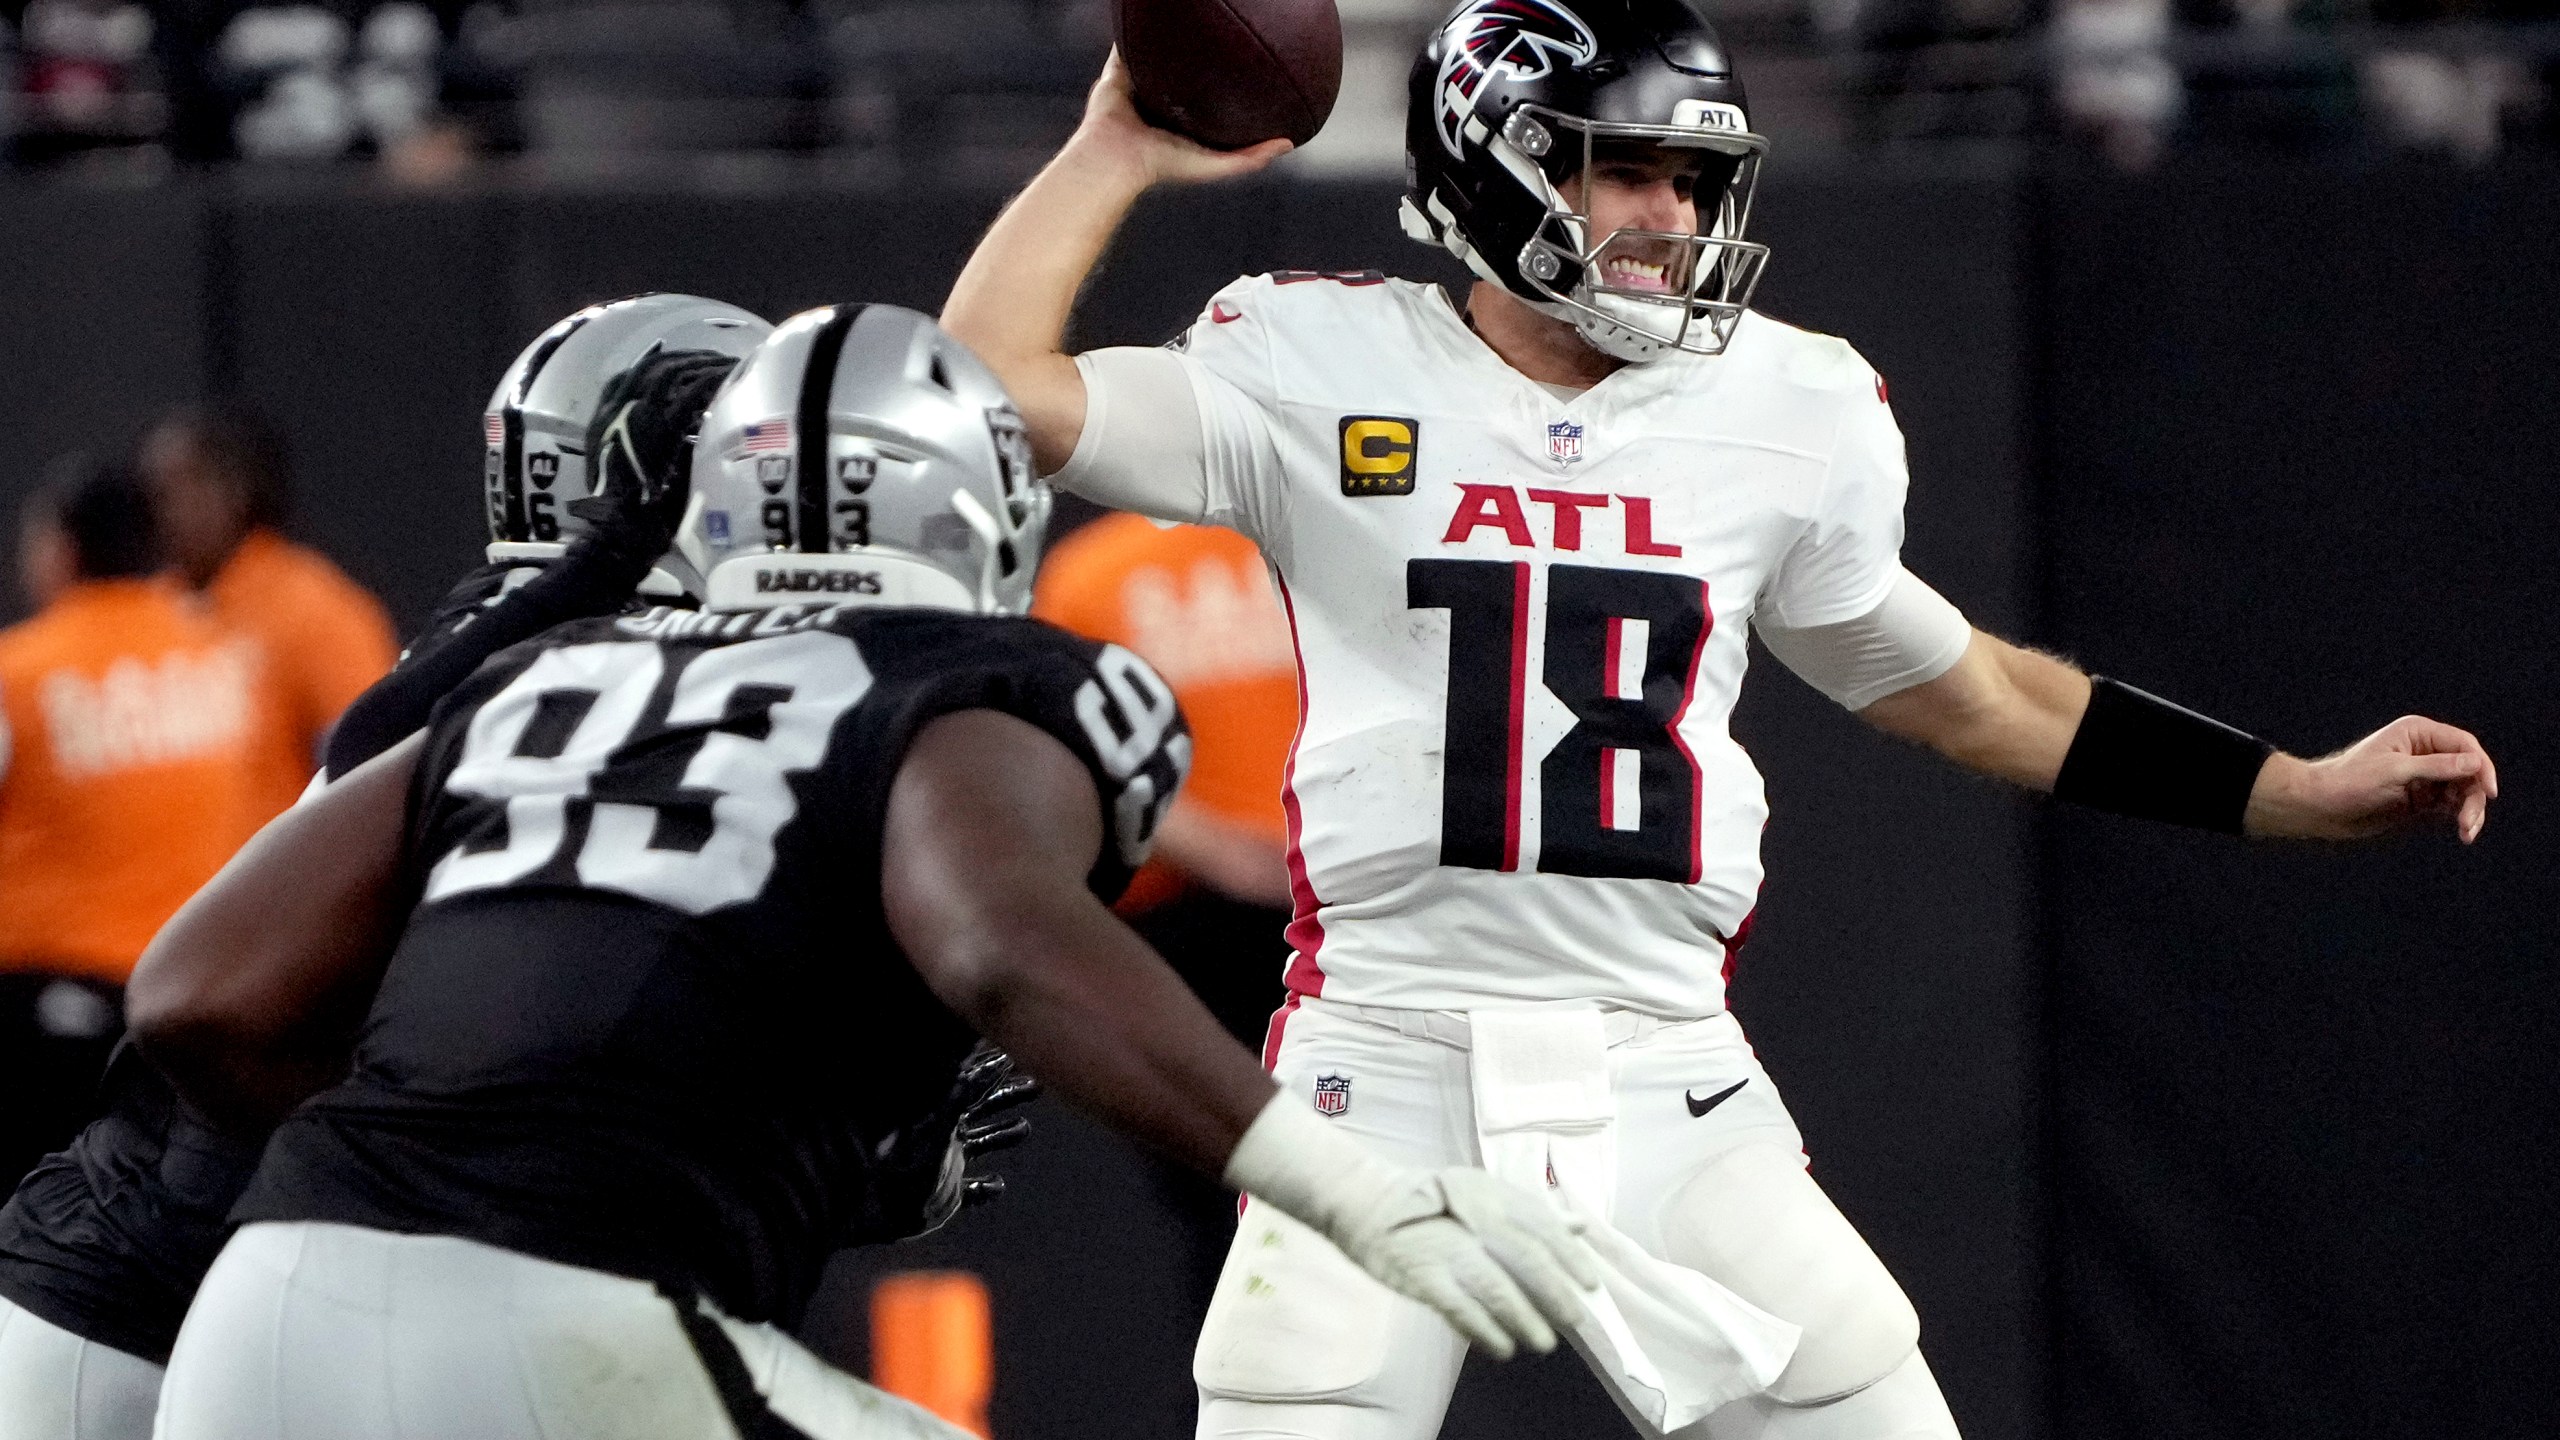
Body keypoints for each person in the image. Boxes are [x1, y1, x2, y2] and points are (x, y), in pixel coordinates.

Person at [938, 4, 2502, 1436]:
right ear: (1498, 166)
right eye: (1629, 173)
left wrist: (2291, 788)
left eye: (1695, 181)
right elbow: (988, 387)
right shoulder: (1314, 360)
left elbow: (1975, 692)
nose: (1672, 218)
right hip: (1382, 1061)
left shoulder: (1786, 406)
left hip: (1664, 1069)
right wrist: (1115, 147)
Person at [134, 304, 1598, 1440]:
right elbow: (998, 946)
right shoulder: (988, 679)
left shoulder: (540, 682)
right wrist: (1352, 1189)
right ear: (976, 510)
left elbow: (193, 993)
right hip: (578, 1321)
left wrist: (457, 1139)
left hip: (259, 1323)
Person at [0, 295, 772, 1440]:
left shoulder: (516, 651)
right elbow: (334, 835)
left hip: (263, 1244)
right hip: (182, 1255)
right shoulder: (505, 661)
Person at [1032, 514, 1300, 1303]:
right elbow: (1062, 742)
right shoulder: (1094, 571)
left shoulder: (1332, 525)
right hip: (1190, 926)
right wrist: (1217, 846)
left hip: (1363, 909)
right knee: (1233, 1210)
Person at [0, 459, 262, 1194]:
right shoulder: (221, 659)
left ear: (62, 548)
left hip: (45, 1013)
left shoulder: (21, 672)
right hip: (193, 1001)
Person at [140, 402, 399, 823]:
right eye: (150, 495)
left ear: (234, 489)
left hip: (278, 881)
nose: (158, 514)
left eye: (173, 490)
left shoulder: (315, 608)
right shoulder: (144, 612)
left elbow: (374, 769)